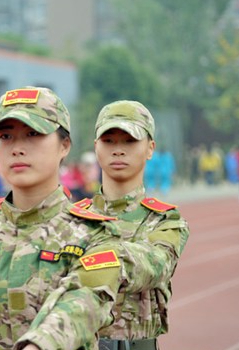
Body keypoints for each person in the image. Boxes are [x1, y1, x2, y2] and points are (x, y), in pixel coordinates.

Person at [0, 87, 122, 350]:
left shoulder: (96, 235)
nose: (17, 148)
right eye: (5, 136)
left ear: (64, 145)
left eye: (33, 134)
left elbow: (83, 305)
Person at [73, 100, 190, 350]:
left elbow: (156, 264)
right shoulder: (72, 218)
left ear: (150, 148)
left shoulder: (165, 220)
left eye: (129, 141)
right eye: (109, 141)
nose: (118, 150)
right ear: (96, 147)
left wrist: (99, 260)